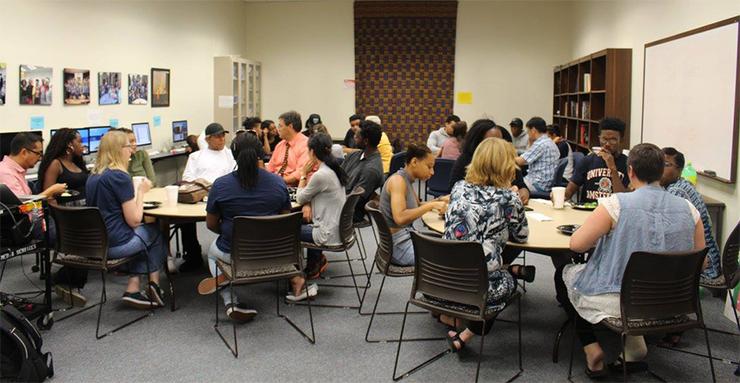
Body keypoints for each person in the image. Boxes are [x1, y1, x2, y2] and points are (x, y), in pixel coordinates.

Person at [556, 143, 704, 378]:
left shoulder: (616, 204)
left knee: (566, 274)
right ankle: (634, 345)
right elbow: (701, 262)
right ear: (660, 171)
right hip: (674, 302)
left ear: (631, 171)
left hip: (622, 302)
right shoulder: (689, 209)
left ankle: (592, 349)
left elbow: (577, 245)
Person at [438, 137, 529, 351]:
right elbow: (522, 236)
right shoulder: (508, 198)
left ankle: (461, 329)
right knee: (510, 282)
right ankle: (467, 334)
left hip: (441, 280)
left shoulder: (459, 188)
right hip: (477, 288)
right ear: (506, 165)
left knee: (487, 263)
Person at [196, 134, 292, 321]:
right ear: (260, 154)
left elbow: (211, 224)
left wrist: (230, 232)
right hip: (275, 255)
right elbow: (285, 220)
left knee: (212, 253)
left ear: (233, 155)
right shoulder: (278, 183)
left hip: (235, 253)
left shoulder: (221, 185)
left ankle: (230, 299)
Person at [86, 130, 168, 309]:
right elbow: (135, 220)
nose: (131, 150)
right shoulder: (119, 177)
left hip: (97, 244)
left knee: (143, 237)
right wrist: (139, 191)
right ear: (118, 150)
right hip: (117, 245)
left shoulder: (93, 176)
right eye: (128, 146)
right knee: (154, 233)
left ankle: (134, 286)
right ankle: (153, 284)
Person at [287, 133, 348, 301]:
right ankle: (313, 264)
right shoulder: (334, 169)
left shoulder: (321, 175)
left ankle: (295, 278)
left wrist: (303, 174)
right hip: (338, 229)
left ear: (312, 152)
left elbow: (300, 197)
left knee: (286, 232)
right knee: (302, 221)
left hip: (326, 233)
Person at [38, 128, 90, 306]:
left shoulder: (77, 163)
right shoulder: (55, 164)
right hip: (66, 216)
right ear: (69, 145)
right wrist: (62, 219)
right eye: (79, 141)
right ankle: (63, 280)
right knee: (85, 241)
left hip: (84, 212)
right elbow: (49, 196)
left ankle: (65, 280)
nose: (82, 145)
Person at [179, 123, 236, 272]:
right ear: (208, 139)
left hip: (224, 197)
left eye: (223, 135)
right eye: (218, 136)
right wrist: (202, 184)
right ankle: (192, 256)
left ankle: (229, 250)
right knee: (185, 220)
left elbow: (234, 174)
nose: (222, 139)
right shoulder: (195, 157)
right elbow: (187, 178)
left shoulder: (230, 154)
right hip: (199, 196)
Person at [379, 143, 447, 266]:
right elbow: (400, 218)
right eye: (429, 167)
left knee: (448, 245)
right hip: (398, 247)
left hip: (407, 237)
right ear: (414, 162)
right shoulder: (398, 181)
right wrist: (430, 206)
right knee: (448, 257)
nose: (432, 172)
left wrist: (440, 200)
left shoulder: (406, 180)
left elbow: (418, 205)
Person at [660, 147, 721, 282]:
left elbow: (665, 231)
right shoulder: (677, 185)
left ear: (679, 170)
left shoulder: (677, 191)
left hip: (704, 266)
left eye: (666, 164)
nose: (660, 169)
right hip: (701, 259)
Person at [449, 119, 530, 205]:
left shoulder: (507, 161)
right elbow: (452, 191)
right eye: (490, 142)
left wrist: (524, 192)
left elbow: (521, 185)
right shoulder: (465, 160)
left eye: (500, 141)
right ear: (478, 143)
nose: (496, 146)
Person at [562, 117, 629, 203]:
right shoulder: (587, 161)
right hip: (588, 211)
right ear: (599, 138)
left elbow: (622, 199)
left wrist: (612, 168)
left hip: (613, 213)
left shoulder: (627, 164)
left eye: (613, 140)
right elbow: (569, 191)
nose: (607, 144)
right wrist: (560, 195)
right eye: (604, 139)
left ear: (621, 140)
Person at [341, 119, 384, 222]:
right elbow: (337, 175)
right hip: (337, 198)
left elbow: (353, 201)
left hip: (348, 213)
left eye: (357, 136)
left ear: (366, 141)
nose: (354, 137)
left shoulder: (372, 169)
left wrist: (327, 200)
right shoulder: (355, 154)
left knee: (297, 221)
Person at [0, 133, 67, 199]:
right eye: (38, 153)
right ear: (24, 152)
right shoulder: (5, 173)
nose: (40, 158)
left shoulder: (16, 170)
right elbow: (21, 205)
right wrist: (51, 191)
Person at [515, 117, 560, 193]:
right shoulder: (549, 141)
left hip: (537, 184)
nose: (528, 134)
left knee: (510, 185)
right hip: (545, 183)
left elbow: (520, 161)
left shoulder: (540, 144)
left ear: (533, 130)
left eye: (528, 131)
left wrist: (504, 157)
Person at [266, 111, 309, 186]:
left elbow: (300, 173)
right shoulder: (280, 145)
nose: (278, 129)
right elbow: (270, 169)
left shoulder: (306, 145)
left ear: (290, 126)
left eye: (280, 126)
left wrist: (277, 181)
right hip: (275, 185)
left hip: (293, 188)